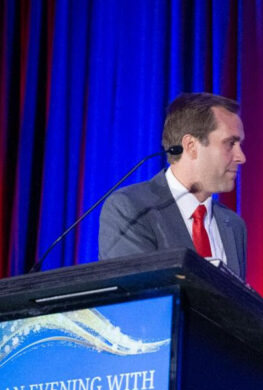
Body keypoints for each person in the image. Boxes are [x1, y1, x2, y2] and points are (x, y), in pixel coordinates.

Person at [99, 92, 247, 279]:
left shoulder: (233, 225)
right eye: (230, 143)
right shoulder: (133, 209)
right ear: (191, 146)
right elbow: (137, 297)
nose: (241, 157)